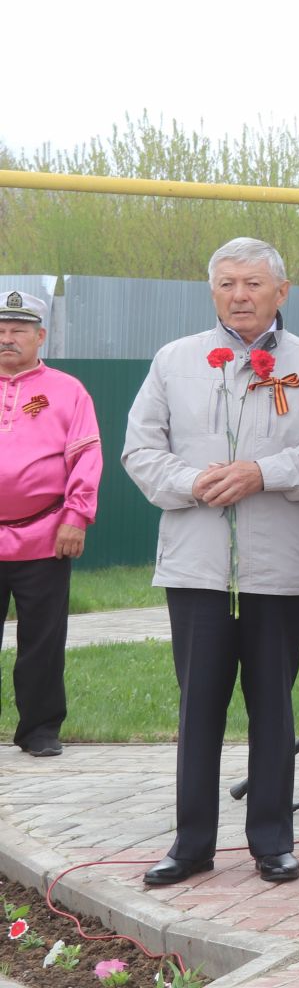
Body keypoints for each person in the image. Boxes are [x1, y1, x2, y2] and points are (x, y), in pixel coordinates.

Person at [122, 239, 299, 887]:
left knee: (273, 709)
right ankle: (192, 842)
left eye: (253, 283)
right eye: (226, 284)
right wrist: (196, 482)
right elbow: (140, 452)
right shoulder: (176, 360)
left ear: (282, 292)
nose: (240, 295)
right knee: (198, 708)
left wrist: (264, 473)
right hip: (196, 566)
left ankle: (272, 842)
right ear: (212, 291)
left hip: (277, 566)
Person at [0, 290, 102, 759]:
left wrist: (76, 516)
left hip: (45, 532)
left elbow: (85, 456)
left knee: (42, 640)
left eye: (18, 330)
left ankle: (39, 728)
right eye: (1, 330)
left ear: (41, 336)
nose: (7, 338)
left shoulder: (67, 390)